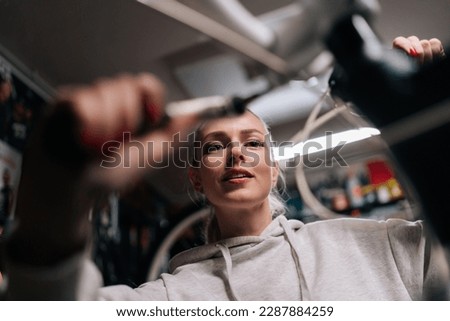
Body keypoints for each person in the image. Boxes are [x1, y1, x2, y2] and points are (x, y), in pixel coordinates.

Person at [0, 37, 448, 300]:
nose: (237, 155)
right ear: (195, 176)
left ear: (274, 169)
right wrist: (52, 211)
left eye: (253, 144)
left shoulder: (377, 246)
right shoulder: (174, 297)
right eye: (216, 146)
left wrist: (432, 131)